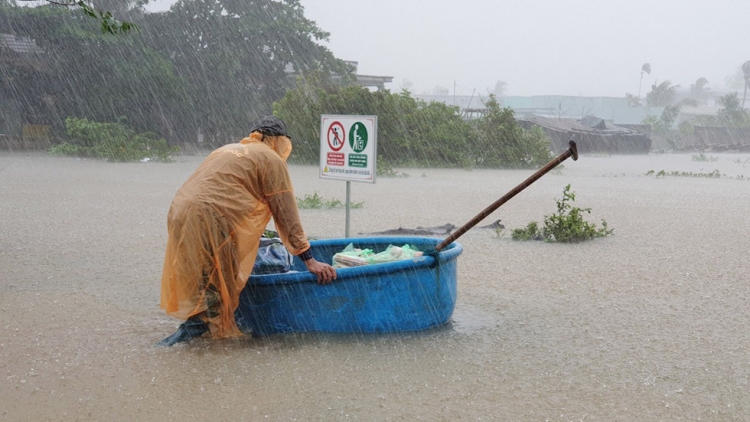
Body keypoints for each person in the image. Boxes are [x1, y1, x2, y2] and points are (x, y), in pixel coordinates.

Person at [158, 116, 337, 346]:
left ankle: (198, 336)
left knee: (203, 273)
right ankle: (191, 336)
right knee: (220, 277)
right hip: (215, 215)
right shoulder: (271, 159)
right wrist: (308, 259)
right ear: (279, 140)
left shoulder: (227, 149)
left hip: (181, 209)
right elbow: (286, 212)